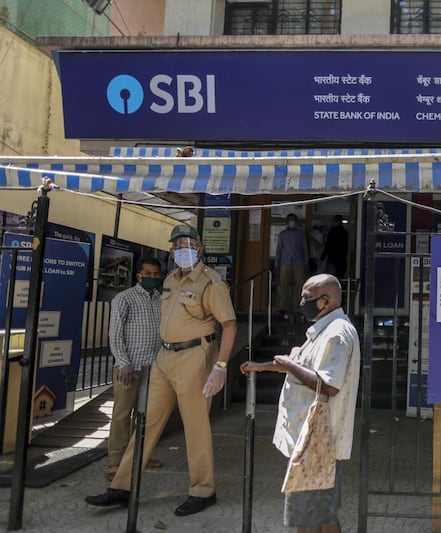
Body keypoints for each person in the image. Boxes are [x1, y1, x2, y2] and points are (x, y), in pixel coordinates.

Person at [86, 224, 237, 517]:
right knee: (147, 423)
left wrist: (220, 367)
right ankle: (122, 486)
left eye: (188, 244)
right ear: (171, 251)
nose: (182, 250)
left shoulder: (211, 283)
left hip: (196, 356)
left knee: (195, 426)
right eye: (177, 245)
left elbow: (229, 325)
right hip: (164, 358)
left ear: (199, 249)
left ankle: (203, 490)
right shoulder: (169, 279)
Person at [240, 273, 360, 533]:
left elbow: (329, 385)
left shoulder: (337, 333)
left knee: (315, 515)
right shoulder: (323, 330)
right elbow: (299, 362)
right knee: (314, 514)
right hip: (310, 441)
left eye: (307, 298)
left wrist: (290, 366)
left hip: (318, 441)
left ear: (325, 301)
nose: (301, 303)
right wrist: (263, 367)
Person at [105, 257, 164, 481]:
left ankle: (141, 456)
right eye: (147, 274)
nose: (151, 278)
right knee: (122, 415)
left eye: (155, 274)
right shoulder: (124, 298)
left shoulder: (161, 300)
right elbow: (115, 334)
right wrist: (123, 362)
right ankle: (115, 462)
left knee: (146, 416)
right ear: (138, 276)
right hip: (130, 367)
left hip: (155, 368)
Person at [275, 213, 309, 319]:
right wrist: (277, 264)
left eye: (293, 220)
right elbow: (279, 250)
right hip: (285, 262)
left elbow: (305, 249)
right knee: (284, 285)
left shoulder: (301, 234)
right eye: (290, 220)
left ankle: (300, 306)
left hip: (299, 262)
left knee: (300, 285)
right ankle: (284, 306)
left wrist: (306, 262)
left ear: (296, 221)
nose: (292, 222)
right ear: (287, 221)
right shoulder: (282, 234)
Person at [320, 214, 349, 279]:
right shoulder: (345, 233)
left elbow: (328, 245)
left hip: (332, 259)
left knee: (329, 280)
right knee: (339, 279)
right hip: (342, 260)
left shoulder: (332, 232)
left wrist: (322, 258)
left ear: (334, 221)